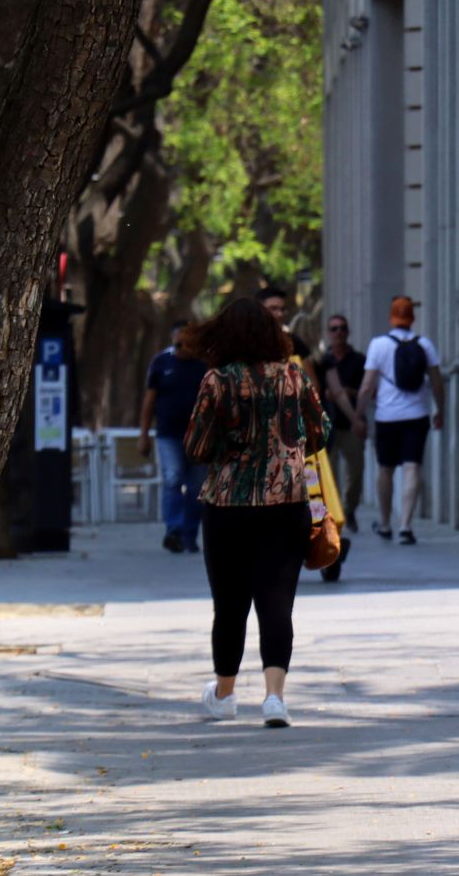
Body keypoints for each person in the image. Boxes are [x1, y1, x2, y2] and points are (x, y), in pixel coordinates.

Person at [182, 297, 329, 728]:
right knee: (277, 602)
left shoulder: (217, 382)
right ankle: (274, 698)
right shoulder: (294, 377)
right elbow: (321, 431)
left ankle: (225, 695)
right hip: (286, 504)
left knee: (229, 605)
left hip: (228, 506)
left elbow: (195, 446)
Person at [256, 286, 351, 582]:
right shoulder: (248, 347)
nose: (279, 313)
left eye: (281, 308)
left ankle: (326, 540)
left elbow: (314, 386)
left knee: (314, 491)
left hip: (300, 437)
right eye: (272, 308)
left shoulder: (295, 344)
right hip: (264, 440)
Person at [354, 295, 444, 545]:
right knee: (412, 467)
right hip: (417, 415)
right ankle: (405, 525)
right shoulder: (425, 344)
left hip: (387, 417)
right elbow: (437, 382)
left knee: (385, 468)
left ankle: (385, 523)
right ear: (412, 317)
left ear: (391, 317)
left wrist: (359, 415)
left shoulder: (378, 345)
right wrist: (440, 410)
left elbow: (367, 385)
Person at [138, 321, 209, 554]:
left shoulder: (204, 365)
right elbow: (149, 401)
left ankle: (190, 533)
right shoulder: (161, 362)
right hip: (168, 434)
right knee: (172, 477)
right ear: (175, 340)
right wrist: (144, 434)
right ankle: (174, 530)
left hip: (199, 437)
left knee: (197, 487)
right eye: (181, 340)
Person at [319, 313, 368, 533]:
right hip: (326, 425)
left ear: (348, 332)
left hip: (352, 424)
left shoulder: (359, 360)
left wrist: (350, 392)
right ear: (328, 333)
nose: (338, 332)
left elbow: (370, 391)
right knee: (329, 473)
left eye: (342, 328)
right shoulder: (321, 361)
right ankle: (335, 511)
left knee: (356, 472)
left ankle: (350, 508)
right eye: (334, 328)